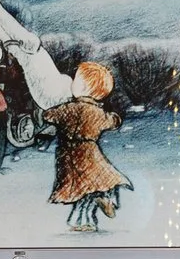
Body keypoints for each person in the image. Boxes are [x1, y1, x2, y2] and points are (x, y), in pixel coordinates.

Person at [42, 60, 131, 231]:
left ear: (81, 87)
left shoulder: (67, 108)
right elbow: (111, 121)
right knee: (102, 181)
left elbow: (49, 115)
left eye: (75, 81)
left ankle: (81, 221)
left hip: (67, 154)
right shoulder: (97, 113)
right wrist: (116, 118)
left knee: (81, 189)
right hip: (89, 153)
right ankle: (105, 199)